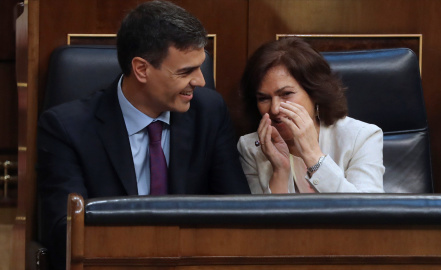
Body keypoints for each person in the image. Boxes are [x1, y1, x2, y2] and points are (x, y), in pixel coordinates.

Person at [36, 1, 250, 269]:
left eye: (200, 67)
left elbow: (237, 212)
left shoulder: (209, 112)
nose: (200, 81)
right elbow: (65, 234)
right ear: (141, 69)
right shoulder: (66, 129)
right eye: (186, 72)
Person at [237, 38, 384, 194]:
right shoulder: (250, 147)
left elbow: (366, 212)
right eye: (264, 98)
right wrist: (280, 171)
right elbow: (259, 217)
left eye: (286, 94)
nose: (274, 109)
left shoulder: (361, 138)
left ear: (315, 93)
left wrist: (313, 155)